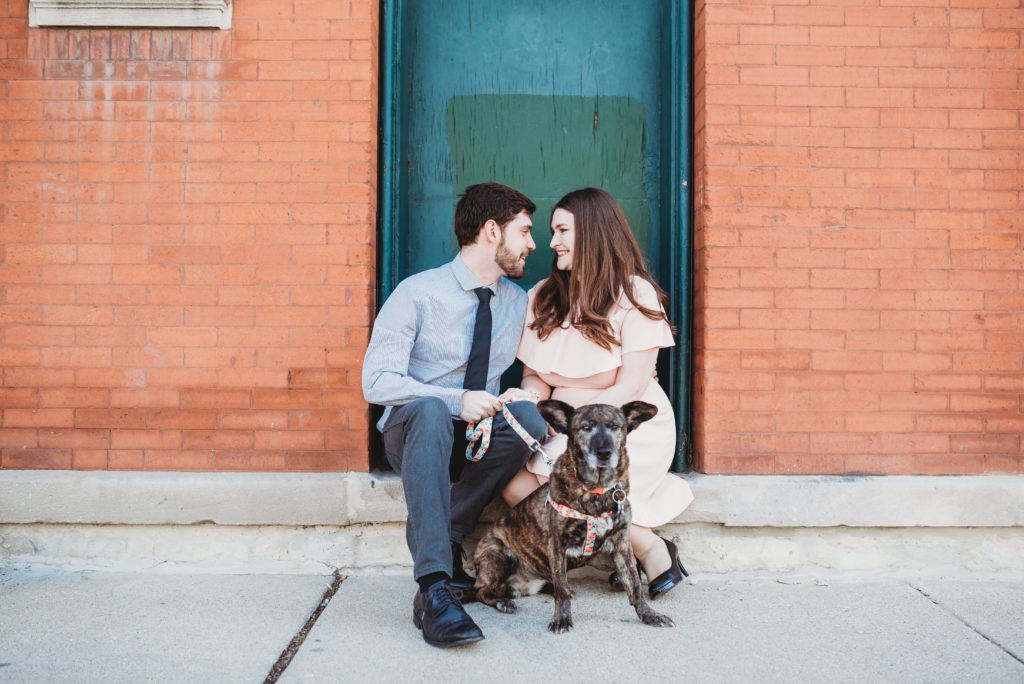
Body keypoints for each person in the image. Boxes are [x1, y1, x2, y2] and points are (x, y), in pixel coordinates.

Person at [362, 182, 549, 649]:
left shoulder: (516, 302)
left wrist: (512, 397)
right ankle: (434, 588)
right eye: (524, 232)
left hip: (477, 437)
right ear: (491, 231)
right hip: (416, 432)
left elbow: (535, 374)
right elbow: (376, 382)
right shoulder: (418, 293)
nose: (532, 244)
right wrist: (453, 399)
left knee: (529, 417)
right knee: (427, 407)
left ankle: (450, 533)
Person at [503, 187, 695, 599]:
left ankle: (650, 548)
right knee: (516, 488)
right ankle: (636, 546)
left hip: (623, 425)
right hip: (563, 427)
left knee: (596, 490)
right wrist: (533, 404)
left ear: (591, 232)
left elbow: (631, 386)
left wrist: (573, 425)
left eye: (561, 230)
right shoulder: (543, 296)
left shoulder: (634, 293)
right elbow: (536, 376)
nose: (552, 242)